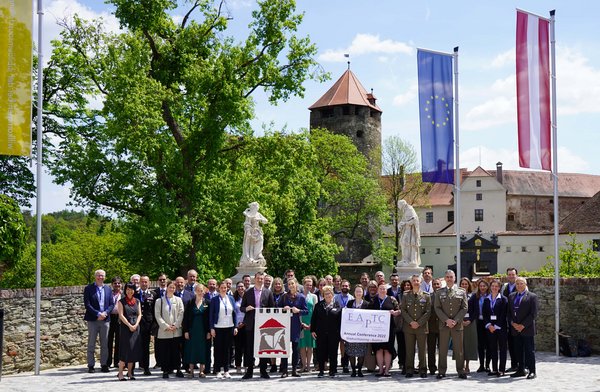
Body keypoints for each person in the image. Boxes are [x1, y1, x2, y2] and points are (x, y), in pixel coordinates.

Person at [434, 269, 468, 379]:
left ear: (454, 278)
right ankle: (441, 371)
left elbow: (464, 308)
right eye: (447, 277)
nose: (449, 279)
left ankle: (460, 370)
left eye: (451, 277)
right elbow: (437, 308)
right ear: (445, 278)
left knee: (459, 350)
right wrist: (446, 320)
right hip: (444, 325)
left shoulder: (461, 291)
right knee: (442, 349)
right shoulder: (439, 292)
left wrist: (456, 320)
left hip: (457, 325)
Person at [241, 271, 275, 379]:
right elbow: (242, 307)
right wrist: (246, 309)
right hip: (251, 323)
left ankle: (263, 370)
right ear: (254, 279)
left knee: (263, 347)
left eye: (262, 278)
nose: (260, 280)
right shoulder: (248, 292)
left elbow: (272, 308)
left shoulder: (268, 292)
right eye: (258, 278)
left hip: (264, 324)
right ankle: (249, 371)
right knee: (249, 348)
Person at [83, 269, 114, 373]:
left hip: (105, 319)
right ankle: (91, 365)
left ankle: (104, 364)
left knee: (105, 343)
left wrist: (105, 313)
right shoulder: (88, 288)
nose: (100, 277)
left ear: (105, 277)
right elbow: (87, 304)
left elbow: (111, 304)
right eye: (98, 275)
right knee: (91, 343)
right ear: (95, 277)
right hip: (93, 319)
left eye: (102, 276)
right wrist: (97, 313)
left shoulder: (108, 289)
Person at [508, 277, 538, 379]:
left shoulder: (532, 296)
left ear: (525, 284)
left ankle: (532, 371)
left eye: (521, 283)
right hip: (515, 329)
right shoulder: (511, 296)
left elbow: (533, 314)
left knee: (529, 351)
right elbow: (509, 313)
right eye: (517, 284)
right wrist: (513, 323)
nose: (519, 286)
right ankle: (520, 370)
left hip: (527, 329)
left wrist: (522, 325)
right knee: (518, 351)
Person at [401, 274, 431, 378]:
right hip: (409, 327)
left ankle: (423, 369)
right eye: (413, 280)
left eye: (417, 280)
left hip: (421, 327)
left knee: (422, 350)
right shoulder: (405, 295)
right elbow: (403, 310)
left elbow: (428, 311)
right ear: (411, 282)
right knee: (409, 350)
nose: (415, 282)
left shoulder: (426, 295)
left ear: (421, 281)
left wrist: (418, 323)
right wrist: (411, 322)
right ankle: (409, 369)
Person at [154, 280, 185, 379]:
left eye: (173, 287)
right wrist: (165, 326)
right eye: (170, 287)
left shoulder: (178, 300)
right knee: (165, 351)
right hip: (164, 331)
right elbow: (157, 315)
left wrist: (176, 325)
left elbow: (181, 313)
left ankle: (178, 369)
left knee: (176, 351)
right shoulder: (160, 301)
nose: (172, 289)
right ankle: (165, 370)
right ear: (166, 288)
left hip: (176, 331)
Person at [277, 278, 308, 377]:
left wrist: (298, 310)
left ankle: (294, 370)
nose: (291, 285)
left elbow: (306, 311)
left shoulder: (301, 297)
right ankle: (284, 370)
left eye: (292, 283)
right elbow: (277, 308)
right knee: (284, 348)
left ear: (296, 284)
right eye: (289, 284)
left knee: (295, 348)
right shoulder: (284, 297)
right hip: (285, 325)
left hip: (296, 325)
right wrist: (283, 309)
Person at [369, 283, 400, 377]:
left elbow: (399, 310)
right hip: (376, 330)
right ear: (378, 290)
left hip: (389, 328)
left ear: (386, 290)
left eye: (384, 289)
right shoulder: (374, 300)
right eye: (381, 288)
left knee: (387, 349)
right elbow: (368, 313)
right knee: (378, 349)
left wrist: (394, 312)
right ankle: (380, 370)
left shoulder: (392, 299)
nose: (382, 290)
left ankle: (386, 370)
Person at [311, 285, 342, 378]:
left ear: (332, 294)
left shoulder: (338, 305)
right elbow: (314, 319)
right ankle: (321, 370)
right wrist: (312, 330)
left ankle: (332, 370)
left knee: (333, 352)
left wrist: (340, 332)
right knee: (321, 352)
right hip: (321, 333)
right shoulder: (318, 305)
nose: (328, 295)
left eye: (329, 293)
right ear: (323, 295)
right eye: (325, 294)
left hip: (334, 333)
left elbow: (340, 320)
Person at [210, 281, 238, 379]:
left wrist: (235, 326)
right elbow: (211, 314)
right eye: (222, 287)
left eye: (225, 287)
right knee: (218, 350)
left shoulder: (231, 298)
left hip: (229, 327)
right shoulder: (214, 300)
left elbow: (235, 313)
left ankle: (226, 370)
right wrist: (212, 328)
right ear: (218, 288)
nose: (223, 289)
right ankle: (217, 370)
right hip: (218, 327)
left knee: (227, 350)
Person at [183, 284, 210, 378]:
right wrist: (186, 331)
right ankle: (191, 371)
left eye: (201, 290)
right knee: (191, 350)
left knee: (202, 350)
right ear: (195, 291)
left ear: (204, 291)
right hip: (192, 330)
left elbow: (209, 319)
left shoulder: (207, 302)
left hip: (203, 331)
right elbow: (186, 318)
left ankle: (202, 371)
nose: (200, 292)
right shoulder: (190, 302)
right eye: (198, 290)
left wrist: (209, 332)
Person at [117, 283, 142, 381]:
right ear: (125, 290)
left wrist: (136, 325)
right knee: (124, 351)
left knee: (133, 350)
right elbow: (121, 315)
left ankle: (130, 373)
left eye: (131, 289)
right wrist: (129, 325)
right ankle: (120, 373)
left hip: (136, 327)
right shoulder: (121, 302)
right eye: (128, 289)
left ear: (134, 290)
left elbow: (140, 314)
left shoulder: (137, 301)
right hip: (125, 328)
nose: (129, 291)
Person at [483, 279, 509, 376]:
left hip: (501, 328)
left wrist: (496, 325)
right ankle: (494, 369)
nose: (494, 288)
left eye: (496, 286)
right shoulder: (486, 299)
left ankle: (501, 369)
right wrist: (489, 325)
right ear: (490, 287)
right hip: (490, 328)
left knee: (502, 349)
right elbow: (485, 314)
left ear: (499, 288)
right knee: (492, 348)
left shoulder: (503, 299)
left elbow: (503, 314)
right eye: (492, 286)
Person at [345, 284, 370, 377]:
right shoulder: (350, 303)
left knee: (361, 352)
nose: (358, 293)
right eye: (357, 291)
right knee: (351, 351)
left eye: (360, 291)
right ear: (354, 293)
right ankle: (353, 370)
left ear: (363, 293)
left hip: (362, 332)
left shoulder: (367, 304)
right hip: (352, 332)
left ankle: (359, 369)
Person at [457, 277, 478, 374]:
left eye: (466, 284)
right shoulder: (456, 295)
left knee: (469, 344)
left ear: (469, 285)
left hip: (470, 322)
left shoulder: (473, 296)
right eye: (462, 284)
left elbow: (475, 310)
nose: (464, 285)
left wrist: (470, 320)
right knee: (460, 344)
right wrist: (460, 320)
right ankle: (461, 365)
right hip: (459, 322)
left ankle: (467, 365)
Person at [137, 275, 155, 375]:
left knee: (145, 346)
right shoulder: (135, 294)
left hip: (147, 324)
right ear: (139, 283)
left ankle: (146, 367)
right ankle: (131, 368)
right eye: (142, 282)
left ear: (149, 283)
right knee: (133, 346)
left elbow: (154, 310)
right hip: (136, 323)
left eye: (146, 282)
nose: (144, 284)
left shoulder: (153, 294)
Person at [299, 277, 317, 373]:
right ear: (303, 284)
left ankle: (309, 366)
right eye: (307, 284)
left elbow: (315, 311)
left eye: (310, 285)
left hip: (311, 323)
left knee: (309, 346)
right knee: (302, 346)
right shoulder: (299, 296)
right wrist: (301, 323)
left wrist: (312, 324)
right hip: (302, 323)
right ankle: (303, 366)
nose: (309, 286)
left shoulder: (314, 297)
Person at [502, 267, 519, 372]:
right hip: (508, 319)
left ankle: (522, 364)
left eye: (513, 274)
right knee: (511, 343)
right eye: (509, 274)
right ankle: (513, 364)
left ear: (516, 275)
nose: (511, 276)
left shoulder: (521, 286)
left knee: (519, 343)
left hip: (518, 319)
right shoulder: (505, 287)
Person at [472, 278, 490, 373]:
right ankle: (481, 365)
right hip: (479, 323)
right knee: (480, 345)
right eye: (481, 286)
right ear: (478, 287)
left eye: (484, 286)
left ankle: (487, 365)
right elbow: (469, 307)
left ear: (487, 287)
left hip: (488, 323)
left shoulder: (491, 296)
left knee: (489, 345)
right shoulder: (475, 296)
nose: (482, 287)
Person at [397, 199, 421, 266]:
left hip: (411, 231)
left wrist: (405, 223)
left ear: (402, 204)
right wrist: (400, 224)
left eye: (398, 205)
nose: (398, 206)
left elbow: (414, 219)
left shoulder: (409, 209)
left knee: (408, 243)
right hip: (406, 230)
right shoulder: (405, 210)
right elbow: (404, 220)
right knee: (403, 243)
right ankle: (405, 259)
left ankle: (410, 260)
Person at [427, 278, 442, 375]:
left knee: (442, 349)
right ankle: (432, 367)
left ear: (441, 285)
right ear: (432, 285)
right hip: (431, 326)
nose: (436, 286)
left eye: (438, 284)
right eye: (434, 284)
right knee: (431, 349)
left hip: (442, 326)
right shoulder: (428, 297)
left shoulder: (444, 297)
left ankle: (441, 367)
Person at [106, 276, 122, 369]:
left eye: (118, 283)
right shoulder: (109, 294)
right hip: (110, 318)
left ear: (121, 284)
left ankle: (117, 361)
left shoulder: (123, 294)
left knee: (119, 340)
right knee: (109, 340)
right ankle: (108, 362)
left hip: (120, 318)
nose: (117, 285)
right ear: (112, 285)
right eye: (115, 283)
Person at [233, 281, 247, 373]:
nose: (240, 288)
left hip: (246, 324)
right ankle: (238, 366)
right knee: (238, 347)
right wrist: (236, 325)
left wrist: (244, 322)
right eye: (239, 287)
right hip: (237, 326)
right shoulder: (233, 299)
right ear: (236, 288)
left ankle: (246, 365)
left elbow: (250, 311)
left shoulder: (248, 297)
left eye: (242, 286)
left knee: (246, 347)